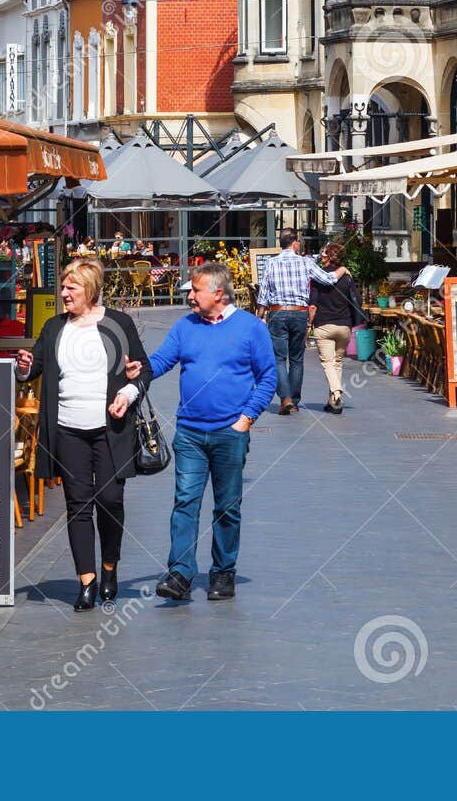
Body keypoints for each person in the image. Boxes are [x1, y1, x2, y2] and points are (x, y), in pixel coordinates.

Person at [128, 264, 274, 602]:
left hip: (229, 432)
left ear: (218, 294)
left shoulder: (251, 328)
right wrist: (141, 369)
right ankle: (180, 573)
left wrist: (246, 419)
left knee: (227, 506)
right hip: (190, 432)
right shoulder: (186, 326)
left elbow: (268, 377)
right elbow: (162, 360)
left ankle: (223, 573)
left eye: (195, 291)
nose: (189, 296)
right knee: (185, 502)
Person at [16, 259, 150, 611]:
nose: (63, 294)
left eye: (70, 288)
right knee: (78, 505)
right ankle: (86, 581)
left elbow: (142, 369)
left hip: (111, 431)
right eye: (63, 287)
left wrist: (128, 390)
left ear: (89, 289)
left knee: (110, 502)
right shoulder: (54, 327)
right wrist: (25, 367)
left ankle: (109, 567)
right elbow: (33, 368)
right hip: (68, 430)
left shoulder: (118, 324)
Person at [254, 228, 350, 415]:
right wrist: (342, 270)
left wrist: (260, 317)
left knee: (279, 359)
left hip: (277, 312)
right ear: (295, 242)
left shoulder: (270, 263)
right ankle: (295, 401)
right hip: (299, 314)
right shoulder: (305, 263)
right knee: (297, 359)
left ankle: (286, 398)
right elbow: (328, 279)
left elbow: (263, 295)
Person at [307, 242, 362, 414]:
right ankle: (332, 402)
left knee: (328, 363)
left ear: (330, 257)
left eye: (324, 255)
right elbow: (357, 300)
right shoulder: (347, 277)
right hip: (344, 327)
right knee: (337, 362)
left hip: (324, 326)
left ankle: (337, 394)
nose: (321, 258)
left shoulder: (319, 278)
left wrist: (309, 324)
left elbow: (313, 306)